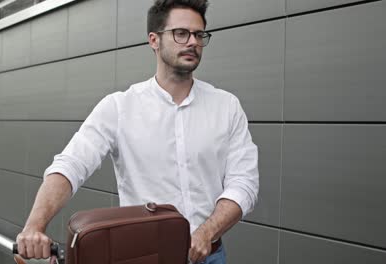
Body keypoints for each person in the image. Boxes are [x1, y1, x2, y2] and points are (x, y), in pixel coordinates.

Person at [16, 0, 259, 263]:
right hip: (144, 256)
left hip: (210, 256)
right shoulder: (119, 107)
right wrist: (34, 226)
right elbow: (70, 165)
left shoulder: (226, 106)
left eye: (199, 34)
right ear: (154, 40)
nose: (192, 42)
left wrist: (205, 233)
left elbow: (244, 184)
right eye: (181, 33)